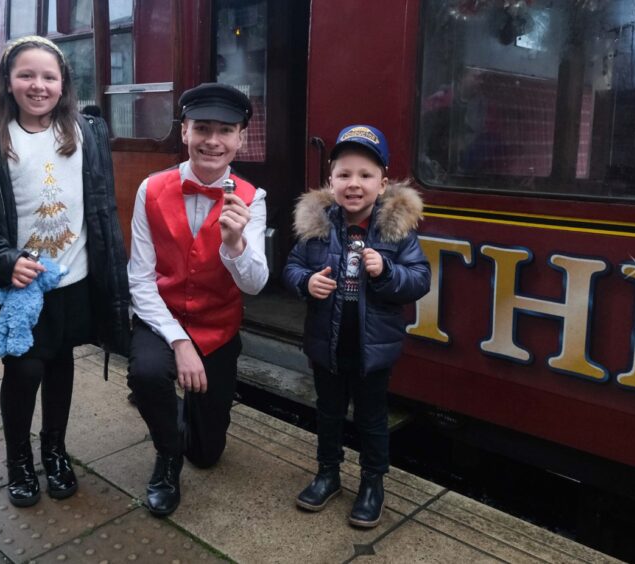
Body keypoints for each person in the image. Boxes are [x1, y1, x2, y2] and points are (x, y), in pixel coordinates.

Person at [0, 35, 130, 508]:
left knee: (61, 364)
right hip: (20, 287)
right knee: (25, 370)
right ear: (8, 82)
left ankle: (54, 450)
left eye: (49, 76)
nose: (38, 85)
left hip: (73, 279)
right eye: (26, 75)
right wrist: (5, 261)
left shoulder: (85, 131)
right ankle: (18, 458)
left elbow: (102, 204)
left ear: (63, 82)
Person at [126, 83, 268, 517]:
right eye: (202, 128)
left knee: (207, 454)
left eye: (225, 130)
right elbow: (140, 280)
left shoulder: (253, 198)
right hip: (161, 315)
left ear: (240, 139)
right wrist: (178, 342)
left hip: (218, 325)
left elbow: (255, 285)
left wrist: (235, 245)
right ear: (183, 132)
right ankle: (166, 458)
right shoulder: (150, 188)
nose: (212, 140)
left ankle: (184, 420)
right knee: (148, 372)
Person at [282, 125, 430, 528]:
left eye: (365, 176)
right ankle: (328, 473)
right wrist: (305, 283)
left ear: (382, 184)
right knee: (328, 413)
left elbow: (419, 279)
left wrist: (386, 273)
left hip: (373, 349)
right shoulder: (317, 228)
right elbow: (292, 268)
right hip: (326, 344)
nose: (354, 184)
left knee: (372, 418)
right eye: (344, 175)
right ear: (330, 182)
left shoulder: (396, 233)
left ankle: (372, 483)